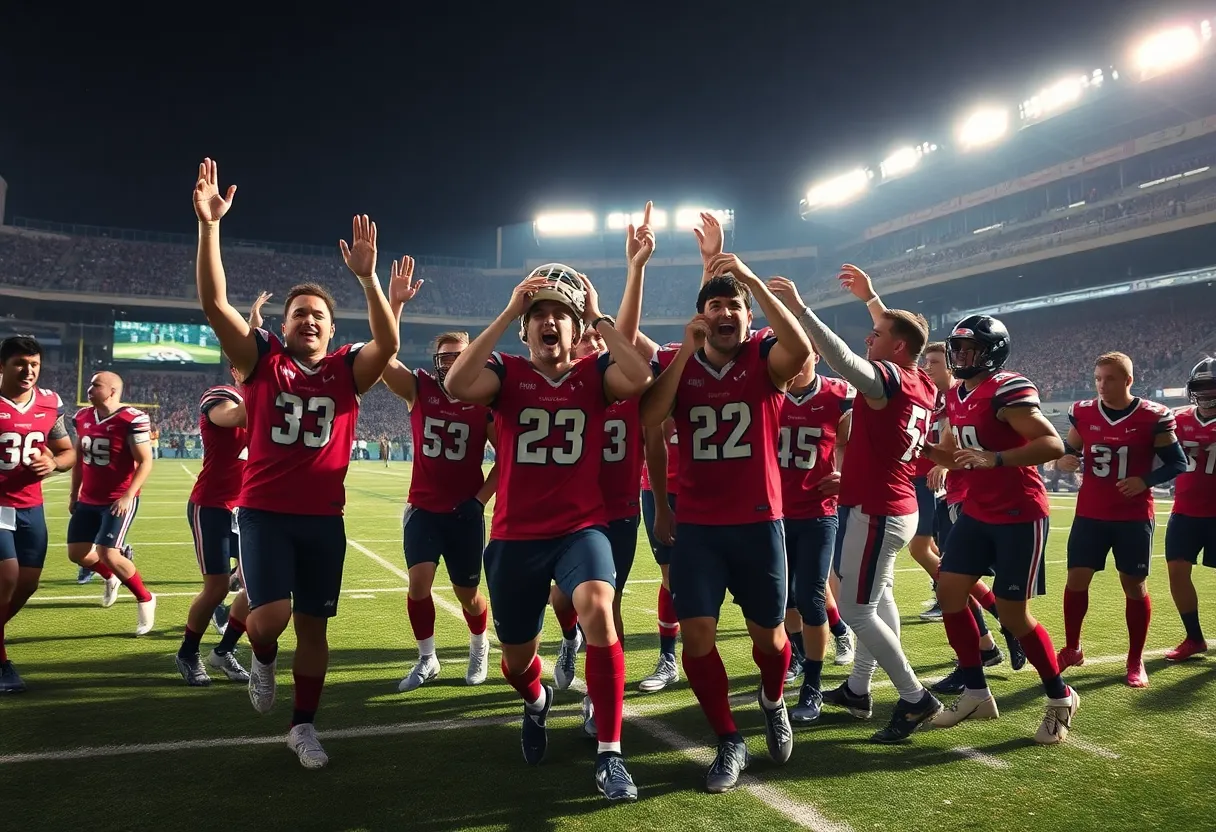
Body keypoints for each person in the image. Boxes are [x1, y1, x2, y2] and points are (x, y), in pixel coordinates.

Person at [193, 158, 400, 769]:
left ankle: (302, 726)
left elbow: (386, 345)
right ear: (282, 328)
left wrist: (368, 281)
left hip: (322, 519)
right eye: (298, 313)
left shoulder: (345, 369)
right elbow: (214, 303)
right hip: (264, 513)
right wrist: (210, 227)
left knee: (314, 629)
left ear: (332, 330)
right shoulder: (262, 361)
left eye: (318, 314)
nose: (307, 319)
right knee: (271, 618)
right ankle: (259, 657)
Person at [444, 263, 652, 802]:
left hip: (581, 526)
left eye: (561, 313)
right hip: (515, 535)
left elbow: (639, 377)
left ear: (574, 326)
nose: (550, 322)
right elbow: (457, 382)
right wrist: (509, 309)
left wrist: (598, 318)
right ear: (526, 328)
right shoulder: (508, 373)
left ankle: (610, 752)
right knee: (516, 661)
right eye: (540, 315)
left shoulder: (593, 373)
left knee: (600, 610)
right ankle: (536, 702)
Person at [640, 253, 812, 792]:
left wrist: (756, 283)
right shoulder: (678, 358)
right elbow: (650, 419)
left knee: (771, 640)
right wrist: (664, 505)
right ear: (701, 317)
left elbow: (802, 351)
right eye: (715, 305)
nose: (726, 312)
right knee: (697, 636)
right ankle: (728, 737)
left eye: (734, 305)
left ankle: (773, 698)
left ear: (747, 314)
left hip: (759, 521)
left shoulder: (764, 354)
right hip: (697, 523)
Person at [769, 267, 942, 743]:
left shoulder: (888, 379)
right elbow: (899, 333)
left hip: (878, 508)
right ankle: (859, 688)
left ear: (898, 348)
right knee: (878, 599)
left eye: (879, 334)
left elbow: (843, 359)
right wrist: (872, 299)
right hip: (894, 502)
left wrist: (803, 310)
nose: (871, 335)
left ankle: (914, 698)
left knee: (857, 609)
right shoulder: (922, 381)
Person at [923, 314, 1078, 744]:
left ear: (992, 353)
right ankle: (975, 691)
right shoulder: (956, 394)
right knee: (950, 592)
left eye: (970, 350)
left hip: (1018, 513)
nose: (960, 357)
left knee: (1013, 614)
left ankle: (1060, 695)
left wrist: (997, 458)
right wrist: (924, 449)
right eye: (957, 349)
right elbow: (957, 457)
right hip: (978, 509)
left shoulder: (1007, 388)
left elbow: (1051, 443)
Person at [379, 258, 496, 692]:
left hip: (464, 511)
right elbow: (382, 354)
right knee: (418, 586)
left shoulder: (484, 401)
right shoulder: (419, 389)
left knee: (468, 594)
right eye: (444, 357)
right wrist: (395, 304)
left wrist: (480, 500)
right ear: (436, 361)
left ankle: (479, 642)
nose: (450, 363)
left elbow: (508, 459)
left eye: (458, 356)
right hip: (423, 508)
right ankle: (427, 658)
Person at [1055, 352, 1186, 687]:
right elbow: (1070, 451)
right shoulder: (1083, 413)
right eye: (1098, 378)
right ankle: (1073, 648)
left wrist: (1145, 481)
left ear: (1128, 380)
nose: (1102, 385)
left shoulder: (1152, 416)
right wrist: (1065, 461)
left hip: (1132, 516)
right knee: (1076, 580)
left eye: (1110, 378)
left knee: (1133, 585)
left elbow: (1177, 463)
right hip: (1090, 514)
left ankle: (1134, 659)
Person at [776, 345, 853, 724]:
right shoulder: (769, 390)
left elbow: (857, 444)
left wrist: (849, 475)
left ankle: (813, 685)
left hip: (818, 513)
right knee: (782, 598)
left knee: (809, 595)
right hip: (772, 514)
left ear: (816, 357)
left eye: (799, 352)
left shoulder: (838, 396)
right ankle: (797, 653)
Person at [0, 336, 75, 692]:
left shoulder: (49, 404)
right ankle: (2, 664)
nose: (28, 371)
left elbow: (68, 452)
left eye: (34, 364)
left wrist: (55, 462)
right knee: (7, 577)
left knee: (26, 585)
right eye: (19, 363)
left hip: (31, 506)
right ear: (2, 366)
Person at [176, 364, 253, 687]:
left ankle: (223, 651)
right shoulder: (222, 396)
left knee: (258, 589)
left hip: (249, 509)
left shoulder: (277, 401)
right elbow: (235, 417)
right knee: (217, 587)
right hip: (212, 505)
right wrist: (263, 390)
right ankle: (188, 652)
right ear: (237, 370)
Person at [67, 371, 157, 635]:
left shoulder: (132, 418)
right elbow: (78, 461)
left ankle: (145, 598)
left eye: (96, 385)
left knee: (109, 552)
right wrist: (74, 494)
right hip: (89, 498)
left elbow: (145, 461)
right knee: (77, 554)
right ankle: (109, 576)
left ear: (113, 391)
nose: (89, 389)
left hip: (117, 499)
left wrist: (128, 495)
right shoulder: (82, 417)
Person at [1163, 358, 1216, 661]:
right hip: (1185, 511)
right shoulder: (1177, 418)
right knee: (1177, 572)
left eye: (1212, 387)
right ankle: (1194, 637)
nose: (1207, 394)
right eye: (1201, 387)